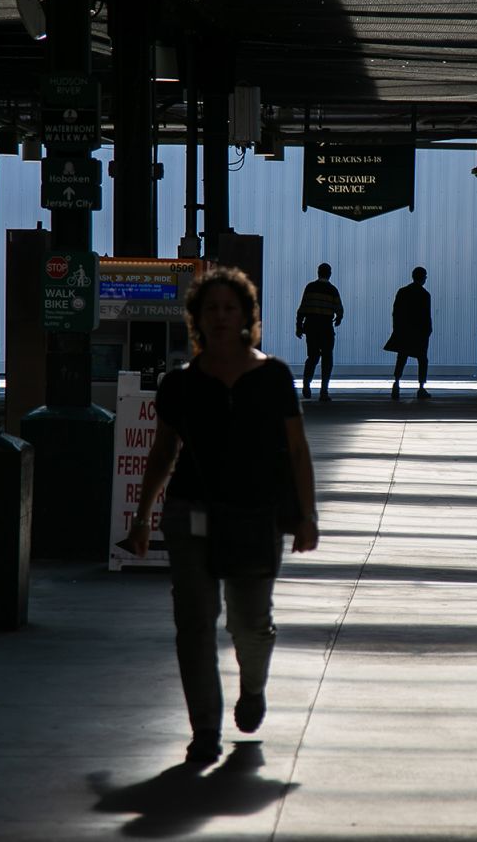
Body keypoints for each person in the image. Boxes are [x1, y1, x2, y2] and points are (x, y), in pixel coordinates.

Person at [126, 267, 320, 765]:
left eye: (229, 308)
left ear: (246, 317)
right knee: (193, 625)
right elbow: (163, 452)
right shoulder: (180, 385)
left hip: (257, 515)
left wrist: (306, 515)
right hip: (190, 511)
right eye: (210, 308)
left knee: (250, 623)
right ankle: (205, 730)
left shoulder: (273, 377)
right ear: (197, 318)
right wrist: (144, 515)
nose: (219, 317)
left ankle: (251, 688)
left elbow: (297, 450)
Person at [295, 262, 344, 401]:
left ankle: (306, 383)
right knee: (327, 358)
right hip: (326, 328)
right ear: (329, 274)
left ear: (318, 273)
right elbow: (339, 309)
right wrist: (338, 318)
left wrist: (299, 327)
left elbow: (302, 309)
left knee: (312, 357)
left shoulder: (310, 288)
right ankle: (324, 391)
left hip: (311, 328)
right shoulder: (332, 290)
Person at [384, 265, 433, 399]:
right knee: (422, 359)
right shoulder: (424, 295)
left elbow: (396, 312)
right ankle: (421, 388)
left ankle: (396, 383)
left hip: (404, 331)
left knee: (402, 357)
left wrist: (397, 329)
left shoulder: (402, 292)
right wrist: (428, 331)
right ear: (423, 278)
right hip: (419, 333)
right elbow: (426, 316)